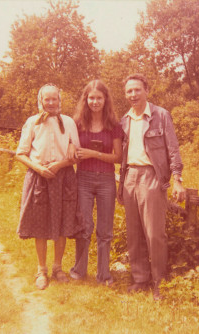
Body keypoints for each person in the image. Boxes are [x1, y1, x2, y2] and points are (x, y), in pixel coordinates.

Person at [117, 73, 186, 301]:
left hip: (152, 177)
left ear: (146, 90)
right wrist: (120, 184)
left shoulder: (161, 115)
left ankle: (159, 282)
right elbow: (122, 156)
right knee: (134, 233)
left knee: (155, 233)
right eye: (129, 91)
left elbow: (173, 149)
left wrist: (177, 178)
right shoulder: (124, 120)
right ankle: (140, 278)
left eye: (137, 90)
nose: (133, 95)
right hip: (129, 178)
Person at [16, 83, 81, 290]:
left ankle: (57, 267)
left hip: (64, 178)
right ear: (41, 101)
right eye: (47, 99)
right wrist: (39, 168)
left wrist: (60, 163)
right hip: (39, 177)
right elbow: (20, 153)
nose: (51, 103)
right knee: (40, 225)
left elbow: (76, 153)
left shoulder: (69, 122)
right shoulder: (32, 122)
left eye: (55, 99)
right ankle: (41, 270)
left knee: (62, 223)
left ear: (59, 101)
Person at [69, 79, 122, 285]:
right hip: (82, 178)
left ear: (105, 99)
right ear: (86, 99)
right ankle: (79, 270)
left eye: (99, 98)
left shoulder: (113, 125)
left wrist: (93, 153)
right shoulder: (77, 123)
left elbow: (118, 157)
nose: (95, 101)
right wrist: (73, 153)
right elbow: (71, 150)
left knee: (105, 229)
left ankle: (103, 274)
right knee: (84, 225)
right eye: (91, 97)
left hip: (107, 180)